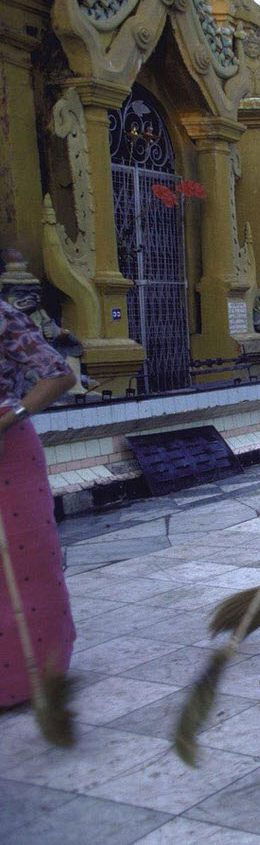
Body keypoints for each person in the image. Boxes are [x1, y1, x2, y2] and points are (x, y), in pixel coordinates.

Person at [0, 297, 77, 707]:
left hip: (7, 452)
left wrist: (8, 418)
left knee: (22, 565)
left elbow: (58, 376)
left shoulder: (3, 316)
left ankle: (28, 675)